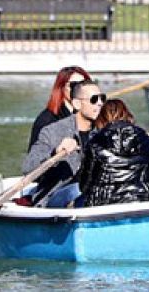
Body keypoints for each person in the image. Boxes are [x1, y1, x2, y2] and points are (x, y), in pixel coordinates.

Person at [22, 79, 106, 207]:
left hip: (94, 198)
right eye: (94, 99)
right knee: (79, 189)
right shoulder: (52, 131)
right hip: (55, 197)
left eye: (102, 98)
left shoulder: (103, 132)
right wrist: (55, 153)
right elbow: (28, 167)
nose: (100, 103)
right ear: (77, 104)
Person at [77, 99, 149, 207]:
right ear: (127, 114)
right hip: (146, 198)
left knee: (77, 200)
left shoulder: (94, 143)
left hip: (104, 201)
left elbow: (84, 185)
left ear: (102, 118)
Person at [29, 65, 92, 151]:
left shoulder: (91, 116)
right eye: (74, 85)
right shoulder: (47, 120)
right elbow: (34, 160)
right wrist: (56, 151)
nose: (80, 90)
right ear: (61, 88)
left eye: (84, 84)